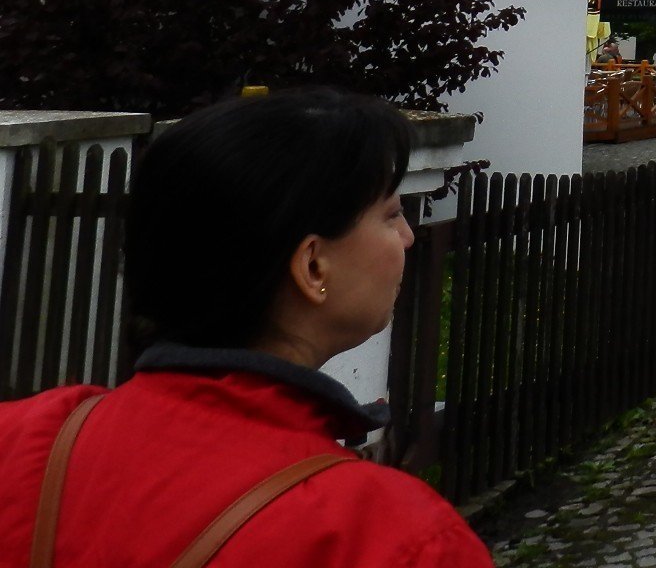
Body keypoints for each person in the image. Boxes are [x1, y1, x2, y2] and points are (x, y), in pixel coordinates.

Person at [0, 88, 491, 567]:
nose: (407, 237)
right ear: (313, 267)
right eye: (391, 214)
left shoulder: (21, 442)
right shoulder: (391, 537)